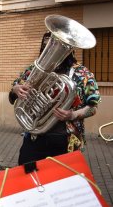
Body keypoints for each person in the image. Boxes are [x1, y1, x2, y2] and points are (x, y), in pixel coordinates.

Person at [9, 32, 100, 165]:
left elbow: (93, 107)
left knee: (63, 183)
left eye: (58, 47)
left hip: (66, 140)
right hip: (34, 138)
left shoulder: (82, 73)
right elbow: (12, 97)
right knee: (28, 181)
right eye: (48, 47)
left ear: (70, 49)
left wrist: (73, 114)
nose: (52, 52)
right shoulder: (33, 70)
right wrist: (15, 89)